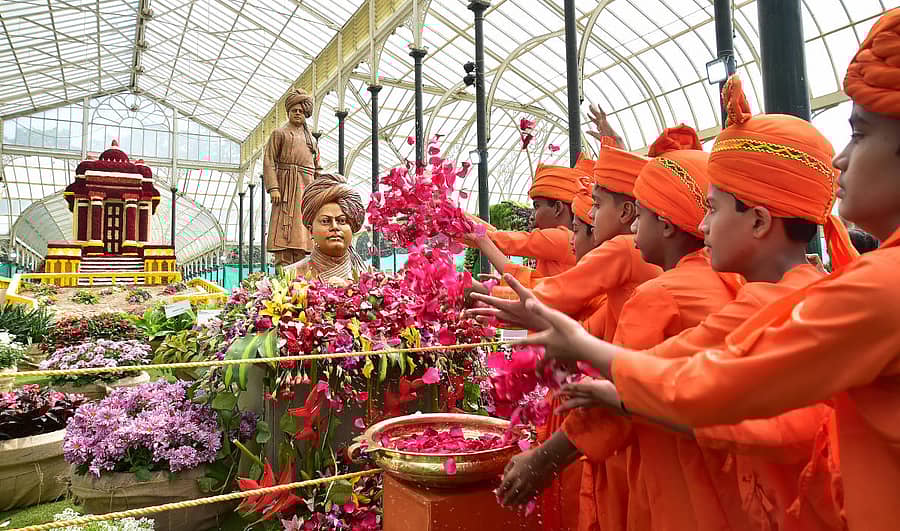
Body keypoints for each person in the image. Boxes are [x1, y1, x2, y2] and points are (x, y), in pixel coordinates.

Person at [493, 10, 900, 529]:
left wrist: (597, 369)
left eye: (860, 136)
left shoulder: (865, 287)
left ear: (756, 221)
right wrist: (601, 365)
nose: (843, 160)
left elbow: (723, 384)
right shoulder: (776, 286)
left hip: (686, 497)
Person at [488, 140, 661, 531]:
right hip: (619, 413)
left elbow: (550, 293)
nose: (573, 238)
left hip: (626, 418)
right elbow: (586, 334)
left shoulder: (620, 249)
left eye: (598, 206)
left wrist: (479, 287)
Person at [264, 88, 321, 266]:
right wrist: (274, 187)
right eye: (294, 110)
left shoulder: (312, 139)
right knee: (284, 231)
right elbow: (269, 161)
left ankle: (302, 266)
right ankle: (283, 266)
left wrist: (320, 191)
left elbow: (318, 167)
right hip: (286, 188)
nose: (298, 114)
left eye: (301, 111)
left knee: (304, 230)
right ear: (288, 112)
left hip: (306, 188)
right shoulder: (279, 134)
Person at [284, 174, 366, 283]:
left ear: (352, 226)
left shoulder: (367, 276)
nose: (335, 227)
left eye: (341, 221)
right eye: (325, 221)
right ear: (310, 231)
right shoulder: (291, 275)